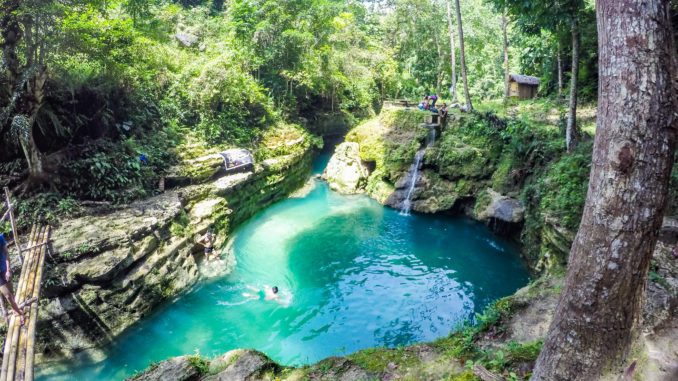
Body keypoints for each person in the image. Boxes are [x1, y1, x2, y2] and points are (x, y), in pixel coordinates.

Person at [0, 234, 25, 325]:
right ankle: (20, 313)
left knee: (11, 292)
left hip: (4, 269)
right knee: (7, 296)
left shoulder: (0, 238)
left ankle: (15, 308)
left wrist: (8, 270)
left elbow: (6, 253)